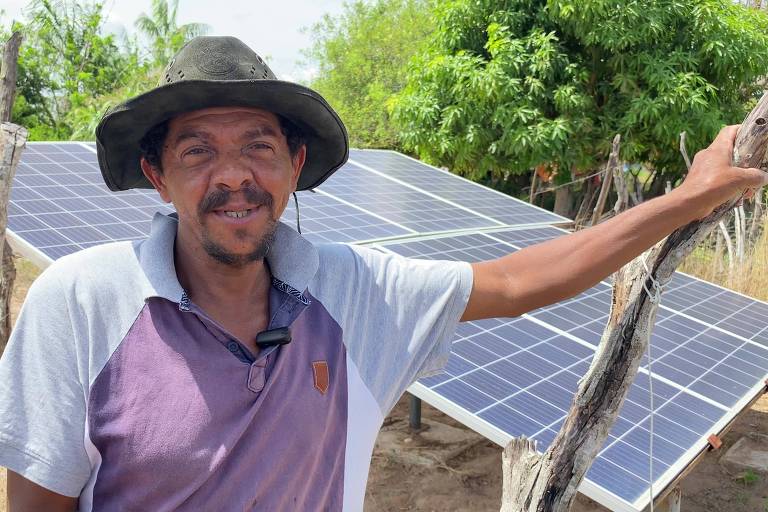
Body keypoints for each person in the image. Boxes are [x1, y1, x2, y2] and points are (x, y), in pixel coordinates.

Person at [0, 36, 764, 512]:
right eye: (197, 150)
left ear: (295, 166)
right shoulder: (81, 302)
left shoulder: (353, 292)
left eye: (259, 147)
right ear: (157, 176)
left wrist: (685, 199)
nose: (233, 176)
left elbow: (527, 278)